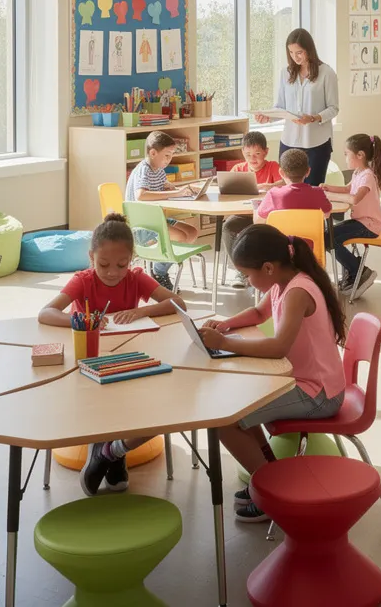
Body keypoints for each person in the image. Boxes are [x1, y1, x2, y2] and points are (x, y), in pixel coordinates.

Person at [195, 225, 347, 523]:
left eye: (247, 275)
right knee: (239, 405)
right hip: (304, 381)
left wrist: (225, 344)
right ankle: (269, 474)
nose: (247, 281)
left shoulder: (297, 292)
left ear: (267, 267)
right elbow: (258, 314)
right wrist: (224, 326)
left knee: (225, 421)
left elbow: (279, 347)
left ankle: (270, 493)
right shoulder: (283, 281)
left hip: (318, 394)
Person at [39, 213, 185, 495]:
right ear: (91, 256)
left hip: (128, 357)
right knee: (105, 397)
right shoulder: (83, 281)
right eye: (103, 264)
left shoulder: (135, 278)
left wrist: (142, 310)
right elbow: (46, 313)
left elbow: (178, 304)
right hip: (88, 361)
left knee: (140, 395)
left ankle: (112, 452)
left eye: (122, 264)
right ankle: (109, 450)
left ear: (132, 259)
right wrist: (80, 320)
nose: (112, 272)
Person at [253, 29, 339, 186]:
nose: (295, 57)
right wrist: (268, 117)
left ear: (309, 49)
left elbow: (334, 108)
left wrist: (313, 118)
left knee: (312, 190)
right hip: (289, 142)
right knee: (288, 189)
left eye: (299, 52)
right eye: (291, 52)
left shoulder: (326, 73)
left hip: (316, 143)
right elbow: (281, 107)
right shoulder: (285, 73)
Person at [125, 131, 201, 292]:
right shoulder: (144, 170)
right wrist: (176, 193)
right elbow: (141, 195)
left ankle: (159, 265)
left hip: (157, 220)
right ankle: (158, 272)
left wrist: (186, 190)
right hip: (143, 224)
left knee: (192, 232)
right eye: (167, 155)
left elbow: (166, 187)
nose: (169, 159)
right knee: (180, 237)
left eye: (172, 155)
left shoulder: (158, 169)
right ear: (153, 153)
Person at [322, 133, 381, 298]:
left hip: (369, 226)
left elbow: (354, 199)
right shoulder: (359, 172)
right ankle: (355, 273)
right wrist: (327, 187)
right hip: (361, 222)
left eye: (346, 154)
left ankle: (359, 271)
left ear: (360, 155)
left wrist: (329, 196)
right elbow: (347, 189)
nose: (345, 158)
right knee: (327, 236)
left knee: (330, 239)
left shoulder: (367, 176)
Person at [221, 131, 285, 289]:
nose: (253, 158)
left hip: (266, 217)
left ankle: (263, 273)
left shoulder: (272, 167)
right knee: (228, 227)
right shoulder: (238, 169)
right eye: (248, 154)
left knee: (262, 236)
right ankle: (242, 272)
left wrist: (269, 186)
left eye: (257, 154)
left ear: (266, 152)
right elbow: (227, 192)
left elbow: (285, 181)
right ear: (242, 152)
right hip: (243, 214)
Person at [255, 148, 333, 223]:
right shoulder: (318, 193)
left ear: (281, 173)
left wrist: (256, 209)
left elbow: (258, 222)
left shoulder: (273, 195)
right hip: (312, 236)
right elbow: (326, 215)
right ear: (308, 171)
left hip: (281, 237)